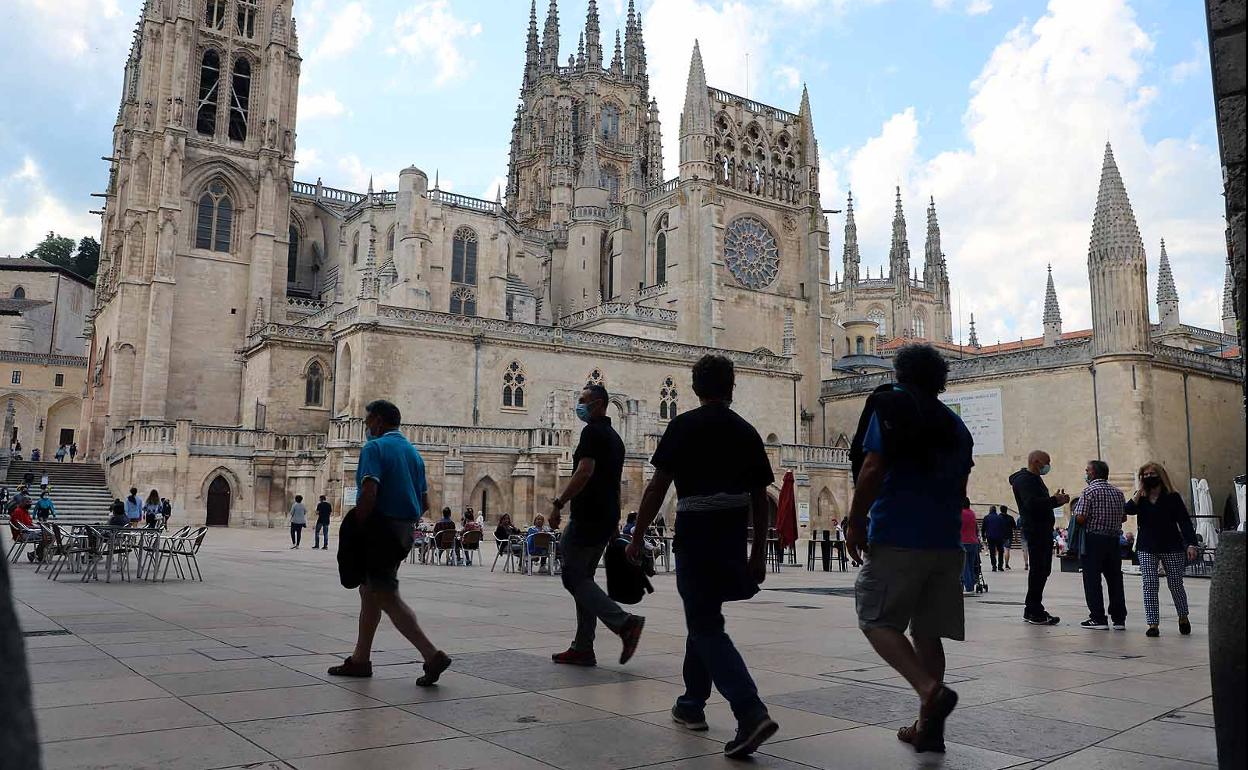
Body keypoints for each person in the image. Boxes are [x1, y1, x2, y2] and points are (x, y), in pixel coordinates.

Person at [627, 354, 778, 759]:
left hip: (695, 535)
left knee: (705, 622)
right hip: (730, 536)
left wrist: (637, 535)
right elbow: (761, 500)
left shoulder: (683, 426)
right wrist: (759, 553)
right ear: (732, 388)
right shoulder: (746, 431)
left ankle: (750, 711)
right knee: (705, 615)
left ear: (695, 389)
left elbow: (658, 487)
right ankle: (692, 703)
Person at [844, 344, 972, 755]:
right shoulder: (956, 426)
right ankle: (927, 729)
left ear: (900, 373)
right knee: (928, 633)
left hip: (899, 533)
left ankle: (929, 690)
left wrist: (856, 520)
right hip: (946, 541)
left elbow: (873, 467)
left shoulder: (893, 406)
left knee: (875, 618)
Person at [327, 399, 450, 686]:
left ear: (379, 421)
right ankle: (360, 659)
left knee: (386, 594)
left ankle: (432, 655)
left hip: (379, 529)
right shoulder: (414, 454)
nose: (367, 426)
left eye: (368, 421)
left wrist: (360, 524)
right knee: (370, 592)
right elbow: (425, 502)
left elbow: (369, 490)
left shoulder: (375, 448)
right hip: (403, 531)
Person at [549, 383, 644, 669]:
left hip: (587, 517)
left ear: (600, 404)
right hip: (604, 517)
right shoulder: (616, 438)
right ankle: (583, 647)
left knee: (572, 576)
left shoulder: (592, 432)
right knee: (583, 579)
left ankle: (624, 623)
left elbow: (585, 471)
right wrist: (614, 521)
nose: (580, 406)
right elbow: (614, 483)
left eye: (584, 401)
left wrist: (558, 503)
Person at [1125, 462, 1198, 638]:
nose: (1149, 477)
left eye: (1152, 474)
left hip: (1171, 545)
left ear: (1160, 476)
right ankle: (1152, 624)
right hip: (1146, 546)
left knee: (1175, 584)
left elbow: (1184, 522)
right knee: (1149, 585)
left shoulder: (1172, 497)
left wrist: (1191, 543)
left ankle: (1183, 617)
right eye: (1146, 475)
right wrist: (1138, 492)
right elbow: (1128, 510)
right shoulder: (1141, 498)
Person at [1009, 452, 1069, 625]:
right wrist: (1053, 500)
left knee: (1043, 569)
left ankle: (1033, 608)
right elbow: (1031, 504)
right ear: (1036, 462)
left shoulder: (1034, 478)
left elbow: (1040, 503)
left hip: (1042, 530)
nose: (1048, 465)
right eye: (1046, 462)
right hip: (1035, 530)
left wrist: (1057, 501)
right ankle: (1033, 610)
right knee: (1038, 570)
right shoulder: (1025, 480)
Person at [1073, 460, 1127, 630]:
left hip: (1093, 540)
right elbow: (1124, 517)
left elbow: (1080, 517)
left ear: (1093, 473)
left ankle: (1098, 617)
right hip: (1113, 541)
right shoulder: (1118, 493)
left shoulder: (1089, 491)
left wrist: (1077, 518)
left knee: (1092, 580)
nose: (1085, 473)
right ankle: (1119, 619)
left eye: (1087, 470)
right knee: (1115, 579)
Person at [960, 499, 979, 594]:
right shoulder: (972, 513)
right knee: (971, 565)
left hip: (964, 542)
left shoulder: (961, 513)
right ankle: (971, 585)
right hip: (974, 542)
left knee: (964, 566)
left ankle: (968, 587)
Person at [982, 505, 1006, 572]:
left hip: (990, 537)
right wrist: (1004, 537)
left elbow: (983, 528)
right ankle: (1000, 566)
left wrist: (983, 536)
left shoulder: (986, 517)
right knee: (1000, 551)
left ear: (990, 510)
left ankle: (994, 566)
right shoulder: (1000, 518)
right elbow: (1003, 528)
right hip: (999, 537)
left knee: (992, 552)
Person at [1000, 505, 1016, 569]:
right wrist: (1016, 537)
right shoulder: (1010, 518)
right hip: (1009, 535)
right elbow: (1014, 528)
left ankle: (1000, 564)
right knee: (1007, 550)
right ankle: (1006, 564)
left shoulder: (998, 517)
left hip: (1000, 536)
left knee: (1000, 550)